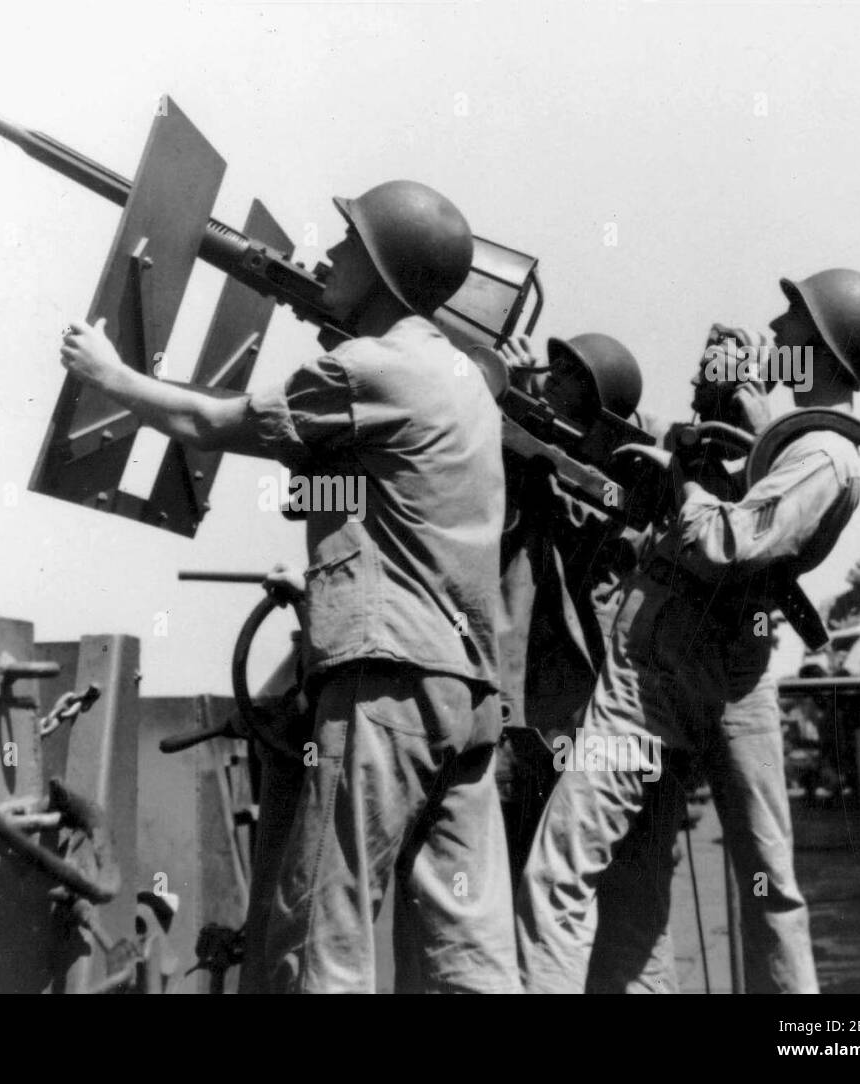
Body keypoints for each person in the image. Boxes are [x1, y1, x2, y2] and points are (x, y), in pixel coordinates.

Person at [60, 180, 519, 993]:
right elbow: (406, 505)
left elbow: (212, 423)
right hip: (468, 698)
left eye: (349, 245)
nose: (329, 255)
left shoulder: (370, 368)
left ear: (380, 269)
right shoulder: (466, 384)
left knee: (320, 943)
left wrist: (112, 376)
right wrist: (330, 583)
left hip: (388, 693)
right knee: (469, 958)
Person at [521, 268, 860, 994]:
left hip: (671, 670)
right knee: (754, 877)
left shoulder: (824, 456)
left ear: (821, 347)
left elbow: (733, 544)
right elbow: (751, 489)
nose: (777, 331)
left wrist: (682, 482)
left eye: (793, 324)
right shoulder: (796, 440)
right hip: (709, 665)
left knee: (565, 870)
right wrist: (709, 432)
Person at [494, 332, 682, 993]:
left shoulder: (605, 498)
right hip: (583, 733)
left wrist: (513, 414)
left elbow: (567, 518)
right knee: (627, 925)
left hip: (592, 735)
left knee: (581, 910)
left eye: (568, 376)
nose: (547, 377)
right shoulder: (565, 477)